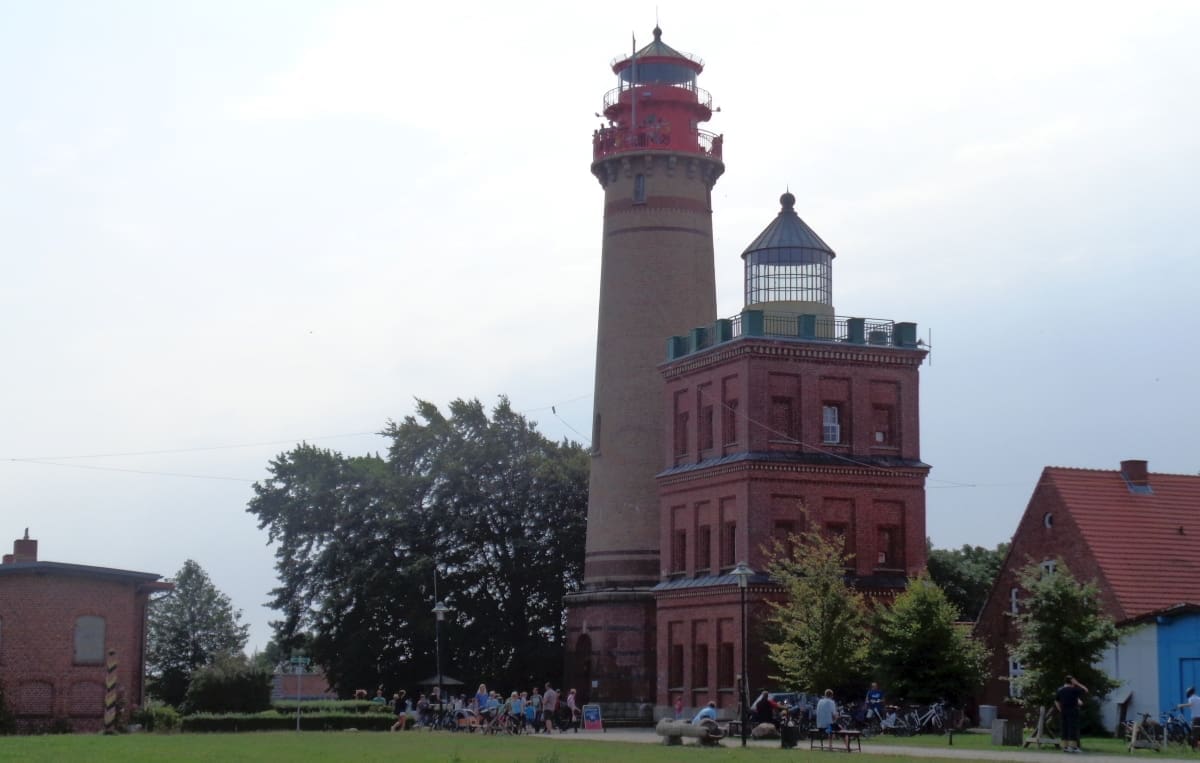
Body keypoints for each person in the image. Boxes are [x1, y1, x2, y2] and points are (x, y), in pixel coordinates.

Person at [1054, 675, 1088, 753]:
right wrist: (1078, 683)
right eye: (1074, 680)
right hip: (1072, 711)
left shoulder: (1060, 690)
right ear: (1072, 681)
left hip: (1063, 711)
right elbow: (1085, 690)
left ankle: (1065, 746)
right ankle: (1073, 747)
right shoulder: (1074, 689)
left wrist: (1060, 709)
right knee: (1072, 728)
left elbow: (1056, 701)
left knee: (1064, 728)